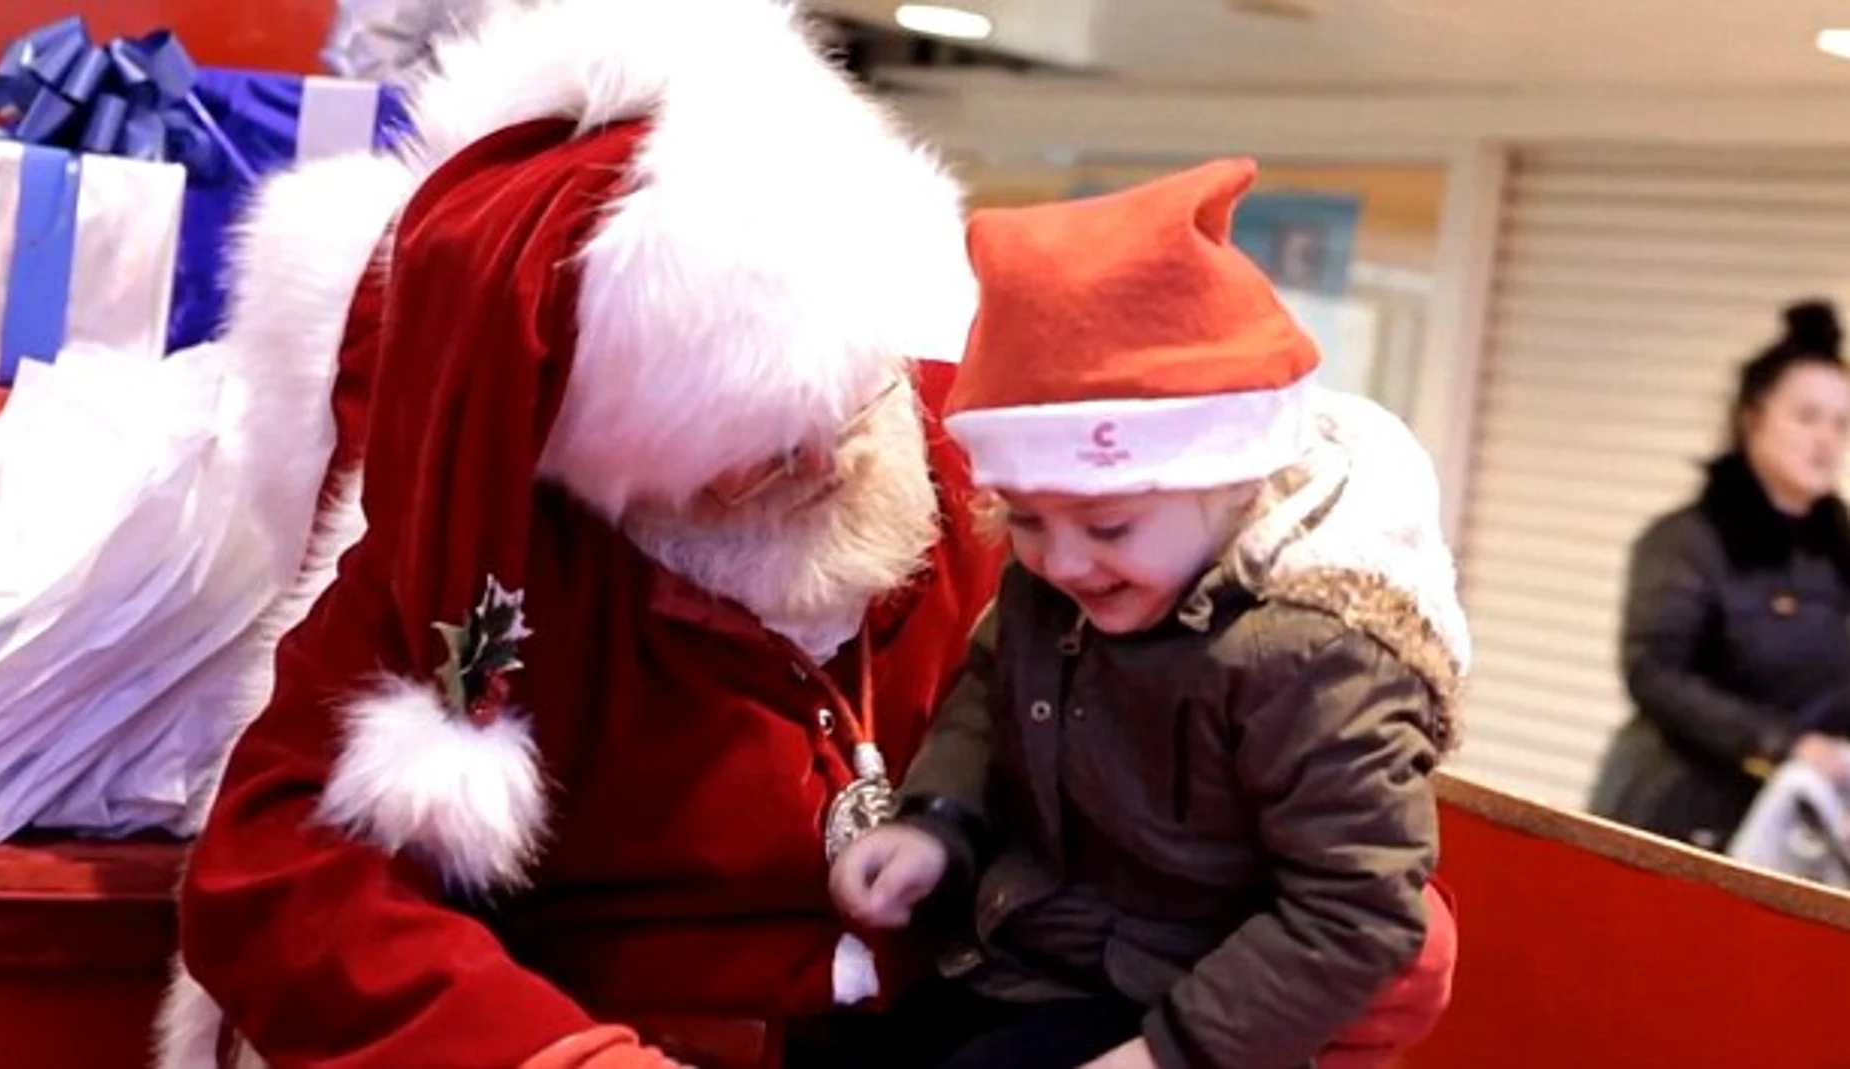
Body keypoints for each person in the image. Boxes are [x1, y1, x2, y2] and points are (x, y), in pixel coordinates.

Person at [154, 1, 1004, 1067]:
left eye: (844, 402)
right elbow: (284, 881)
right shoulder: (487, 553)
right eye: (759, 450)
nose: (829, 462)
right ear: (622, 459)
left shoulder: (960, 459)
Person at [827, 160, 1465, 1069]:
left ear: (1236, 482)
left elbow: (1355, 909)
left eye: (1110, 523)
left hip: (1190, 1005)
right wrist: (937, 824)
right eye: (1029, 520)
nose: (1064, 560)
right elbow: (988, 697)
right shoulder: (1056, 581)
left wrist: (1171, 1053)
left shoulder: (1318, 653)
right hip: (1023, 958)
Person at [1591, 301, 1850, 852]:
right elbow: (1655, 673)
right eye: (1806, 417)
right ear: (1751, 418)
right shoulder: (1687, 542)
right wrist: (1782, 744)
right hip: (1683, 810)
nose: (1825, 440)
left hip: (1798, 826)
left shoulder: (1839, 551)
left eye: (1841, 423)